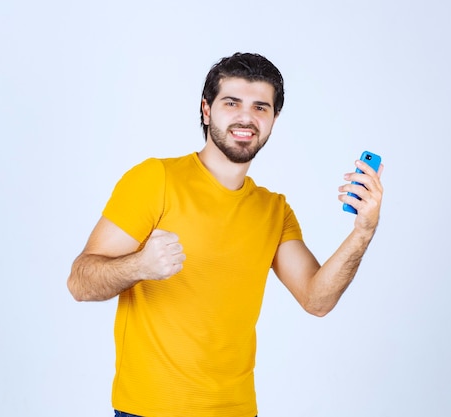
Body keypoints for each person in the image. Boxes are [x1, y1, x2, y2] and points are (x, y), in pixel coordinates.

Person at [67, 52, 384, 417]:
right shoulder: (155, 180)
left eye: (260, 107)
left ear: (273, 120)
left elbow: (317, 300)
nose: (246, 117)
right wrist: (138, 265)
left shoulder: (274, 210)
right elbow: (80, 282)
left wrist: (363, 231)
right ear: (206, 110)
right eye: (231, 103)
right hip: (149, 410)